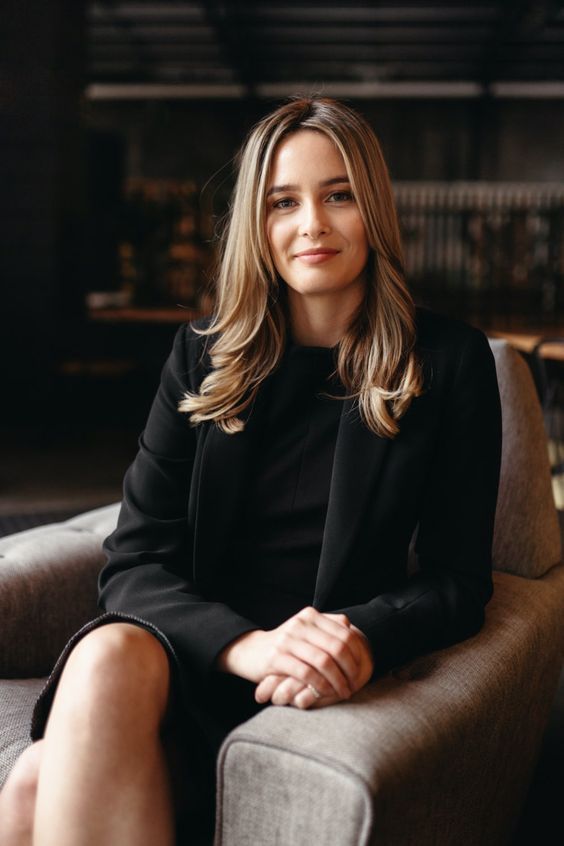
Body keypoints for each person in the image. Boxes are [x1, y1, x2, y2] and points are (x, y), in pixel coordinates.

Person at [0, 96, 502, 845]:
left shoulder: (450, 362)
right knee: (108, 646)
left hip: (308, 678)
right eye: (283, 202)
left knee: (35, 784)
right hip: (194, 660)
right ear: (255, 224)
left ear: (375, 209)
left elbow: (459, 581)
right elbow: (135, 563)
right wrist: (249, 644)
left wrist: (360, 635)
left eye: (339, 196)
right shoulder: (203, 356)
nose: (312, 225)